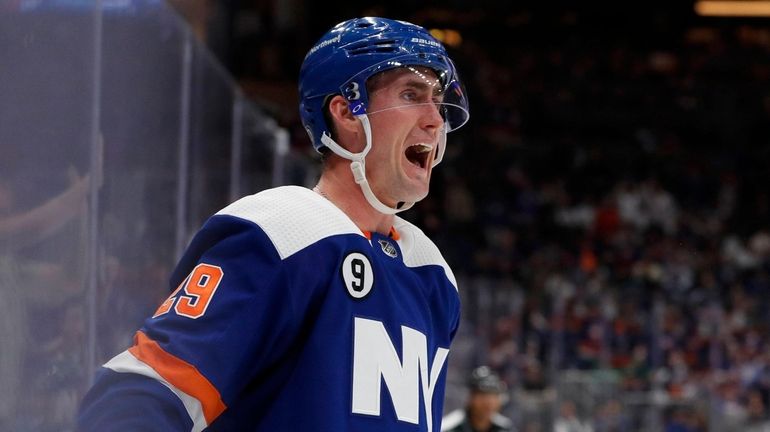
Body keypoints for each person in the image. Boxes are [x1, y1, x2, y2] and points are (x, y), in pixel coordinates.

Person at [78, 16, 470, 431]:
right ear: (347, 113)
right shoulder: (284, 232)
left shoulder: (432, 274)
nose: (435, 119)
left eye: (438, 99)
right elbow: (143, 394)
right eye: (412, 94)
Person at [441, 366, 514, 432]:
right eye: (483, 395)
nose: (489, 402)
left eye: (494, 396)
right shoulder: (450, 427)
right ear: (470, 397)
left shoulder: (505, 428)